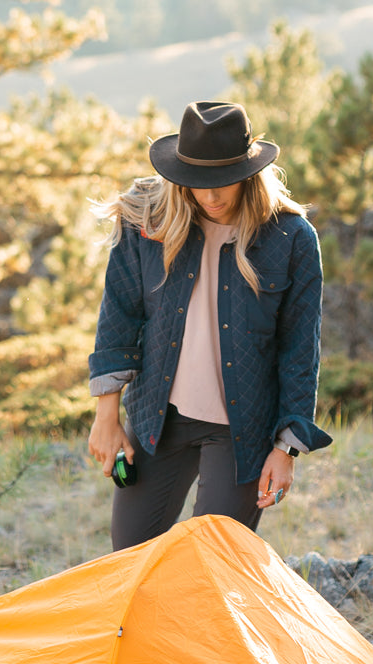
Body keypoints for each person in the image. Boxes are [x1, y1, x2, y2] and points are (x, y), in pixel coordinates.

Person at [87, 100, 332, 551]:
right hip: (158, 417)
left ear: (249, 172)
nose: (212, 196)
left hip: (241, 429)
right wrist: (107, 415)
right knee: (129, 559)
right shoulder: (146, 221)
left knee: (212, 564)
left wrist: (286, 448)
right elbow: (118, 316)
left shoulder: (291, 239)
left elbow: (300, 350)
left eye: (224, 182)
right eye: (198, 184)